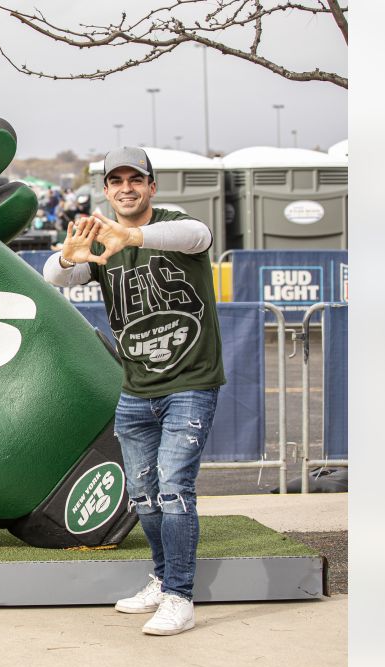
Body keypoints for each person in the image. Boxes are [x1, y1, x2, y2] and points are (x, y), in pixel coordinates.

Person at [43, 147, 224, 636]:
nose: (126, 187)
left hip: (189, 382)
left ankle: (181, 597)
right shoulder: (104, 239)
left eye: (135, 179)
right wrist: (66, 256)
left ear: (151, 185)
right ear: (105, 189)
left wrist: (133, 236)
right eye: (116, 181)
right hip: (136, 388)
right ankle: (163, 580)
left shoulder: (173, 223)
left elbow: (198, 235)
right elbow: (56, 276)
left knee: (173, 487)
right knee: (144, 494)